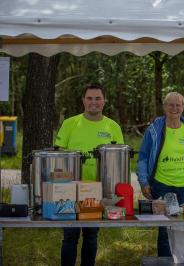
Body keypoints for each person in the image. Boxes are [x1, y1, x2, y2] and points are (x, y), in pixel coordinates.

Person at [55, 83, 124, 266]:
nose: (94, 102)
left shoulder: (113, 126)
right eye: (90, 98)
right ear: (83, 101)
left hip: (97, 190)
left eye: (98, 98)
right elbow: (60, 157)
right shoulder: (70, 123)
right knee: (70, 237)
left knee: (91, 236)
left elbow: (117, 158)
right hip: (71, 190)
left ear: (104, 101)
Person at [137, 92, 184, 256]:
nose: (174, 108)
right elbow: (143, 156)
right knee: (164, 231)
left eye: (178, 105)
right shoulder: (154, 129)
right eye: (170, 104)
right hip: (162, 186)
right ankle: (165, 261)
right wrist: (144, 182)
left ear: (183, 107)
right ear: (164, 107)